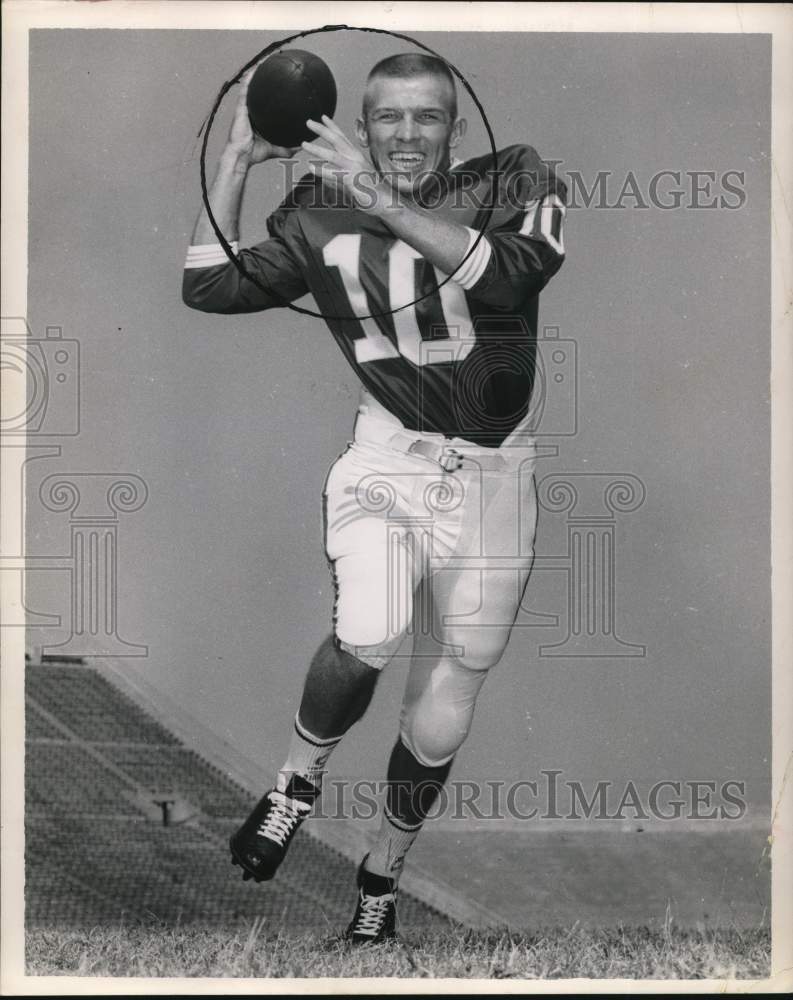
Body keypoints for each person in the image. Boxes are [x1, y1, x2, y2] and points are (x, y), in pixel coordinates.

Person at [183, 52, 566, 943]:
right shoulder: (320, 207)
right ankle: (294, 786)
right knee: (368, 628)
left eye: (423, 118)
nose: (402, 136)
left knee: (447, 696)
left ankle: (380, 877)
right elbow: (209, 285)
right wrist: (238, 157)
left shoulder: (514, 176)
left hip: (494, 477)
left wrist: (382, 200)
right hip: (386, 459)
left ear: (454, 127)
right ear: (356, 120)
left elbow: (509, 276)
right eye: (384, 118)